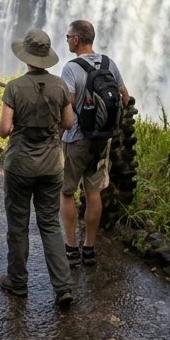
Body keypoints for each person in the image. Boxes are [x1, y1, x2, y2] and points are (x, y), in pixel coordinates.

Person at [0, 28, 75, 309]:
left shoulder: (14, 87)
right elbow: (67, 122)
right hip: (53, 164)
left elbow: (4, 130)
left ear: (27, 57)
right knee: (50, 224)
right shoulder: (60, 86)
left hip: (20, 165)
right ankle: (63, 286)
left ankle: (17, 281)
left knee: (18, 225)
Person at [59, 19, 130, 268]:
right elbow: (125, 96)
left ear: (77, 40)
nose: (66, 40)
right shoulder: (109, 63)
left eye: (68, 36)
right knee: (93, 192)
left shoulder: (71, 68)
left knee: (67, 192)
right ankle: (89, 248)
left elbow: (66, 103)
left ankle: (70, 249)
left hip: (76, 139)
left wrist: (59, 130)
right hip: (102, 140)